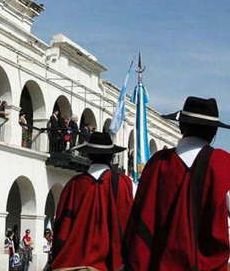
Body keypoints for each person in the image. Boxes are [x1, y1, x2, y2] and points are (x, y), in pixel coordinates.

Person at [123, 97, 230, 270]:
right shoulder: (223, 164)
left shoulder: (157, 164)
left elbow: (138, 221)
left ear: (181, 127)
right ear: (213, 133)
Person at [52, 132, 133, 271]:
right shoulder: (125, 184)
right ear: (112, 156)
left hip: (73, 264)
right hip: (112, 265)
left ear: (89, 155)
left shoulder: (73, 185)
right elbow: (130, 227)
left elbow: (61, 227)